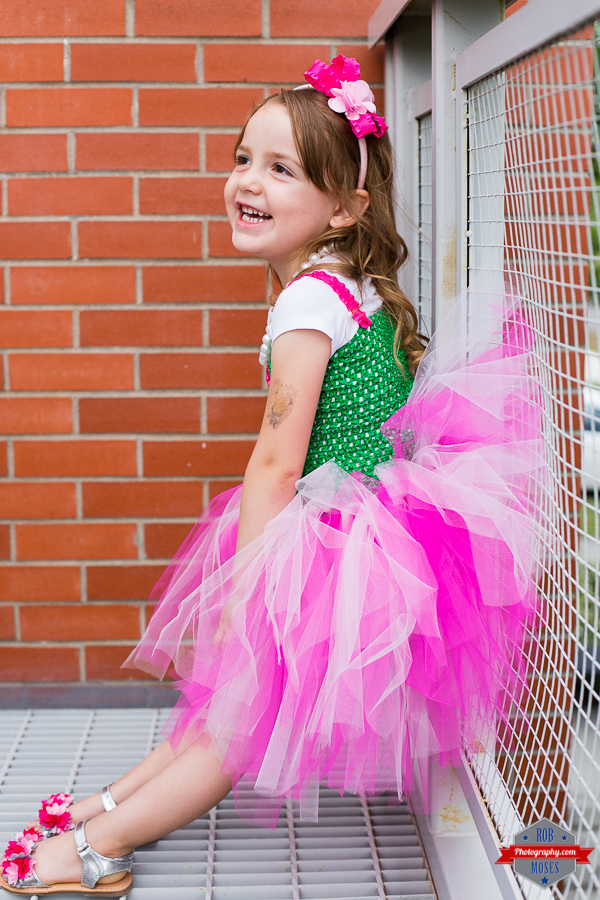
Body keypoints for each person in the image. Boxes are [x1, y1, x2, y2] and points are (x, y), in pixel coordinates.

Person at [1, 56, 546, 896]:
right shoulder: (352, 285)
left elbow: (276, 459)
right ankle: (107, 806)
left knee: (243, 718)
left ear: (345, 205)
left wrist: (244, 591)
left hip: (336, 534)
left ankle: (95, 851)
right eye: (241, 158)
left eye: (280, 168)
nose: (247, 182)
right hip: (372, 517)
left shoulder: (304, 303)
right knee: (230, 701)